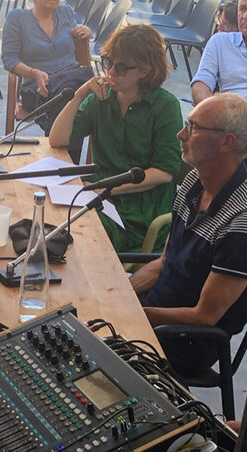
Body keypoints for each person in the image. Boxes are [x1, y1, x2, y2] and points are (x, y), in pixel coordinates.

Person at [130, 93, 247, 376]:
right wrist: (120, 297)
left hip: (187, 340)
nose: (181, 134)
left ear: (226, 142)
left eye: (193, 127)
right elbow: (165, 261)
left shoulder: (241, 222)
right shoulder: (195, 180)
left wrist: (130, 315)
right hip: (153, 315)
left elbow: (204, 316)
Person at [49, 25, 182, 253]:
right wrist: (79, 94)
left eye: (120, 67)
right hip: (99, 193)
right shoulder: (101, 98)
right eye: (108, 61)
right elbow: (57, 139)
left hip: (139, 209)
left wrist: (107, 190)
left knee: (75, 238)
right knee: (51, 219)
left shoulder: (166, 106)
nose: (110, 71)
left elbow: (163, 172)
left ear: (145, 70)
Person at [1, 0, 93, 141]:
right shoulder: (17, 18)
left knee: (72, 95)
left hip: (72, 79)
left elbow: (77, 37)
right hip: (39, 88)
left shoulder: (65, 12)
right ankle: (65, 156)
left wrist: (84, 32)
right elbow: (9, 59)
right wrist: (34, 73)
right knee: (70, 99)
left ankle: (59, 154)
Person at [191, 0, 247, 104]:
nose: (245, 16)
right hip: (231, 116)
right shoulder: (220, 42)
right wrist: (208, 107)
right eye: (242, 9)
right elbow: (203, 80)